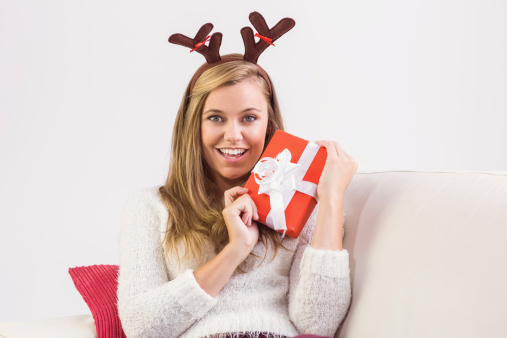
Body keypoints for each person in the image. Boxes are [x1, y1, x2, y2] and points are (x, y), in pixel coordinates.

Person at [117, 15, 358, 338]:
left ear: (268, 124)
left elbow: (318, 323)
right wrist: (235, 250)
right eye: (216, 118)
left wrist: (330, 199)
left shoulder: (305, 202)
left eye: (249, 118)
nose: (234, 135)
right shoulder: (150, 206)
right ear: (194, 126)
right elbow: (141, 328)